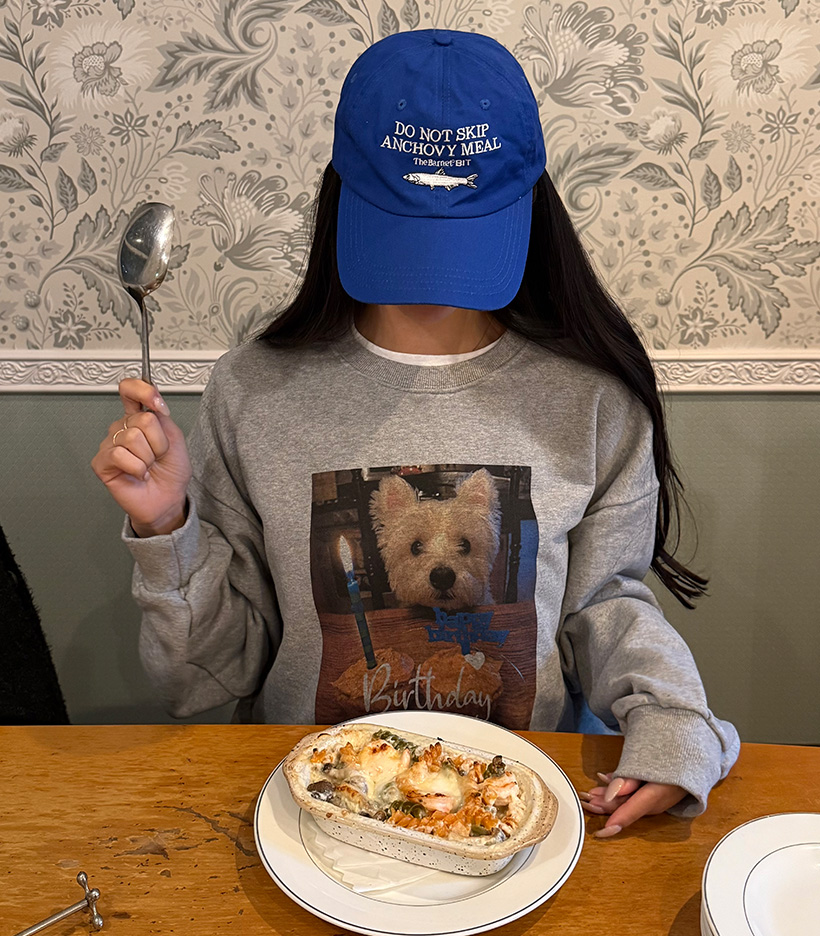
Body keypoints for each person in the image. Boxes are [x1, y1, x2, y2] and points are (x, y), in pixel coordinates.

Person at [92, 28, 739, 838]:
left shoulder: (595, 401)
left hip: (518, 806)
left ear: (532, 203)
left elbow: (605, 605)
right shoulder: (252, 391)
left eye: (465, 235)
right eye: (402, 231)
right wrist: (168, 529)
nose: (432, 278)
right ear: (341, 195)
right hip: (307, 810)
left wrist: (674, 722)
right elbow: (203, 681)